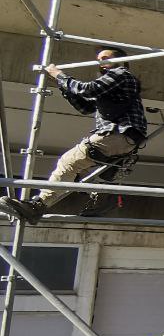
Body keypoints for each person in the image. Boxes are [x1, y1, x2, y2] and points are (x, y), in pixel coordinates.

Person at [0, 46, 147, 224]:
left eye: (105, 58)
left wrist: (59, 75)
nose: (101, 63)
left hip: (118, 133)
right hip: (123, 137)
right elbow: (85, 107)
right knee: (85, 170)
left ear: (121, 61)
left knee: (68, 162)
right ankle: (103, 198)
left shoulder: (121, 74)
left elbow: (86, 90)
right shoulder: (113, 86)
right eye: (99, 60)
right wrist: (63, 85)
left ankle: (37, 206)